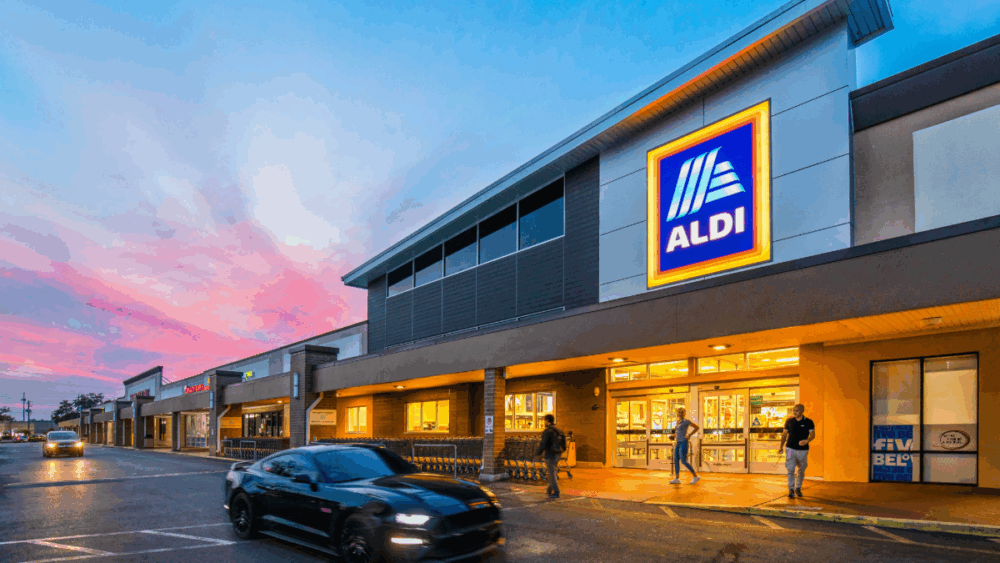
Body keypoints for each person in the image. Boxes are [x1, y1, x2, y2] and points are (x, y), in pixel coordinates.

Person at [778, 403, 815, 498]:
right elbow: (784, 434)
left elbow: (812, 434)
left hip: (802, 450)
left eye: (797, 410)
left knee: (801, 469)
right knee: (790, 469)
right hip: (790, 448)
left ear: (802, 411)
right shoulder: (789, 421)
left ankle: (798, 488)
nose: (794, 412)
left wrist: (807, 440)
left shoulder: (809, 422)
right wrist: (781, 447)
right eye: (794, 410)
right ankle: (791, 489)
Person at [536, 414, 565, 499]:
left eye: (544, 420)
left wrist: (538, 454)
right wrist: (561, 451)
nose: (544, 422)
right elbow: (564, 444)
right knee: (553, 472)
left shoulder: (548, 431)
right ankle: (550, 488)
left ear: (547, 421)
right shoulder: (559, 430)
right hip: (558, 454)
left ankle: (556, 492)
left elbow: (543, 443)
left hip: (550, 454)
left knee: (552, 474)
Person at [669, 408, 700, 485]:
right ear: (677, 413)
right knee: (676, 460)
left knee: (683, 460)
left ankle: (695, 476)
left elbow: (697, 427)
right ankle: (677, 478)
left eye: (682, 412)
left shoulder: (686, 421)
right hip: (678, 443)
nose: (680, 413)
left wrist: (689, 435)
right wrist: (674, 435)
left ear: (684, 413)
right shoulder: (677, 422)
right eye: (679, 412)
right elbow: (678, 432)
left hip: (683, 442)